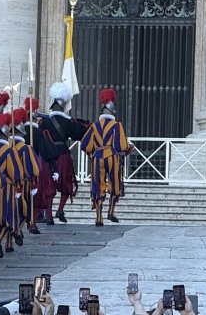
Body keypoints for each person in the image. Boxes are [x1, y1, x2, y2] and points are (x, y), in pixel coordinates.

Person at [81, 89, 134, 226]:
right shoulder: (116, 125)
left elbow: (85, 145)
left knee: (98, 185)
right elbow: (121, 145)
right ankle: (111, 211)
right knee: (115, 183)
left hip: (97, 156)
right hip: (112, 156)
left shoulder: (94, 126)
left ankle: (99, 217)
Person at [39, 82, 89, 223]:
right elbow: (78, 133)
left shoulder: (44, 122)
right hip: (63, 155)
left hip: (48, 157)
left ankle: (49, 215)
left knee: (49, 186)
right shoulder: (69, 122)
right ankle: (60, 210)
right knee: (66, 184)